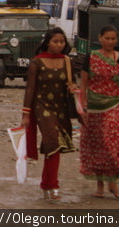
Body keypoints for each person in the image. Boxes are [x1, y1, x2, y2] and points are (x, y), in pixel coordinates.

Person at [79, 25, 119, 199]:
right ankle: (100, 184)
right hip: (94, 108)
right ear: (100, 38)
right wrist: (82, 107)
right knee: (97, 145)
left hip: (115, 106)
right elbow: (83, 85)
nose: (110, 42)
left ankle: (112, 182)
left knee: (113, 141)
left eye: (113, 39)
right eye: (107, 38)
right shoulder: (91, 58)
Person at [21, 27, 76, 200]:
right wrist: (26, 113)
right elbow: (30, 89)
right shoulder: (36, 62)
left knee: (55, 146)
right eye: (55, 41)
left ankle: (47, 183)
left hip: (60, 107)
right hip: (42, 106)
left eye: (62, 42)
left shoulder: (67, 61)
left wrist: (73, 88)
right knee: (52, 140)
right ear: (47, 42)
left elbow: (71, 83)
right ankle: (52, 185)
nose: (59, 45)